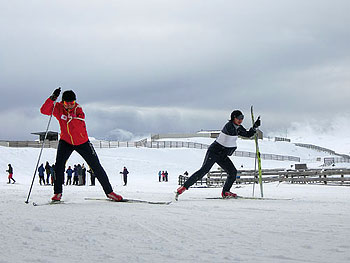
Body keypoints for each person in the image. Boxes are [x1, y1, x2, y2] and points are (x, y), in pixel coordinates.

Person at [40, 88, 122, 201]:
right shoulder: (58, 108)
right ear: (62, 102)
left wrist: (71, 118)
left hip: (82, 142)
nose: (69, 106)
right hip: (66, 141)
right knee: (59, 166)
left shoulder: (78, 109)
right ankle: (57, 193)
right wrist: (52, 98)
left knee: (96, 166)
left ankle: (110, 192)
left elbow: (79, 121)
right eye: (67, 103)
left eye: (72, 103)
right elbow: (44, 111)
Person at [176, 110, 260, 199]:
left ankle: (225, 192)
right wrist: (242, 131)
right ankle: (184, 187)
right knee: (204, 170)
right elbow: (233, 132)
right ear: (233, 118)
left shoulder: (238, 127)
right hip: (214, 152)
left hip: (222, 155)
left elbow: (247, 134)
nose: (240, 120)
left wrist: (254, 127)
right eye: (239, 118)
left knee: (233, 172)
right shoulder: (229, 126)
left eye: (242, 118)